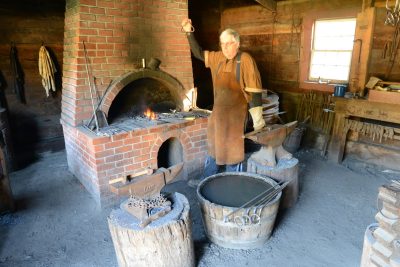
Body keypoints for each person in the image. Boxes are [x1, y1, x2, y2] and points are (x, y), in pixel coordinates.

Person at [181, 18, 266, 183]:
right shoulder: (217, 58)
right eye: (222, 44)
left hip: (236, 114)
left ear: (237, 43)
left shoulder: (246, 60)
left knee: (233, 149)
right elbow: (198, 53)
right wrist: (188, 32)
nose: (225, 47)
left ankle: (232, 181)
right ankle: (207, 179)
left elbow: (255, 92)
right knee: (214, 145)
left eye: (229, 43)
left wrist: (258, 120)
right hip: (218, 112)